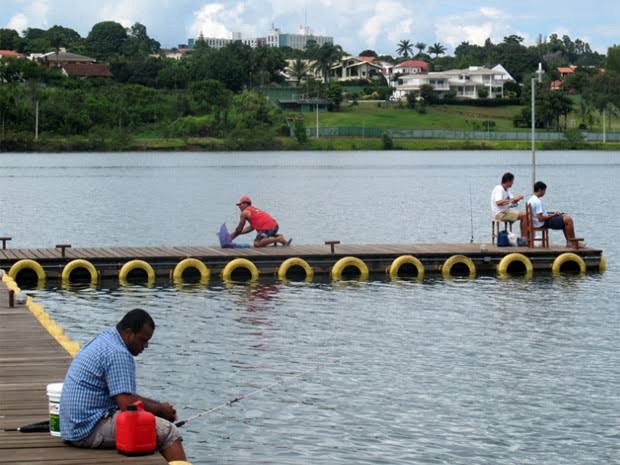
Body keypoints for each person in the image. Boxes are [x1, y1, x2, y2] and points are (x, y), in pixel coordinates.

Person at [60, 309, 187, 463]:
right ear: (128, 333)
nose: (145, 346)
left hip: (71, 426)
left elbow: (126, 397)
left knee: (152, 426)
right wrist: (161, 410)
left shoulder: (106, 338)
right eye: (142, 340)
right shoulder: (119, 353)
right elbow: (127, 405)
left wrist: (158, 409)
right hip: (87, 430)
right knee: (168, 432)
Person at [528, 181, 583, 248]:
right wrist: (553, 215)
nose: (544, 193)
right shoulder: (537, 201)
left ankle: (570, 242)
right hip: (542, 223)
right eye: (544, 191)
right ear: (540, 190)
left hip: (536, 222)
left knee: (565, 217)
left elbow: (538, 214)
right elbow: (540, 218)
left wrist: (552, 214)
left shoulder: (531, 200)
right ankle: (573, 242)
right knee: (568, 220)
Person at [490, 172, 527, 238]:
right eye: (512, 181)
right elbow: (498, 202)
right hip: (499, 214)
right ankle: (524, 238)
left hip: (506, 212)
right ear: (508, 181)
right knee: (524, 216)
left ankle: (524, 237)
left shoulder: (507, 190)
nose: (512, 183)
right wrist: (512, 199)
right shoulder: (499, 188)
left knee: (526, 213)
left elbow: (512, 201)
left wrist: (517, 199)